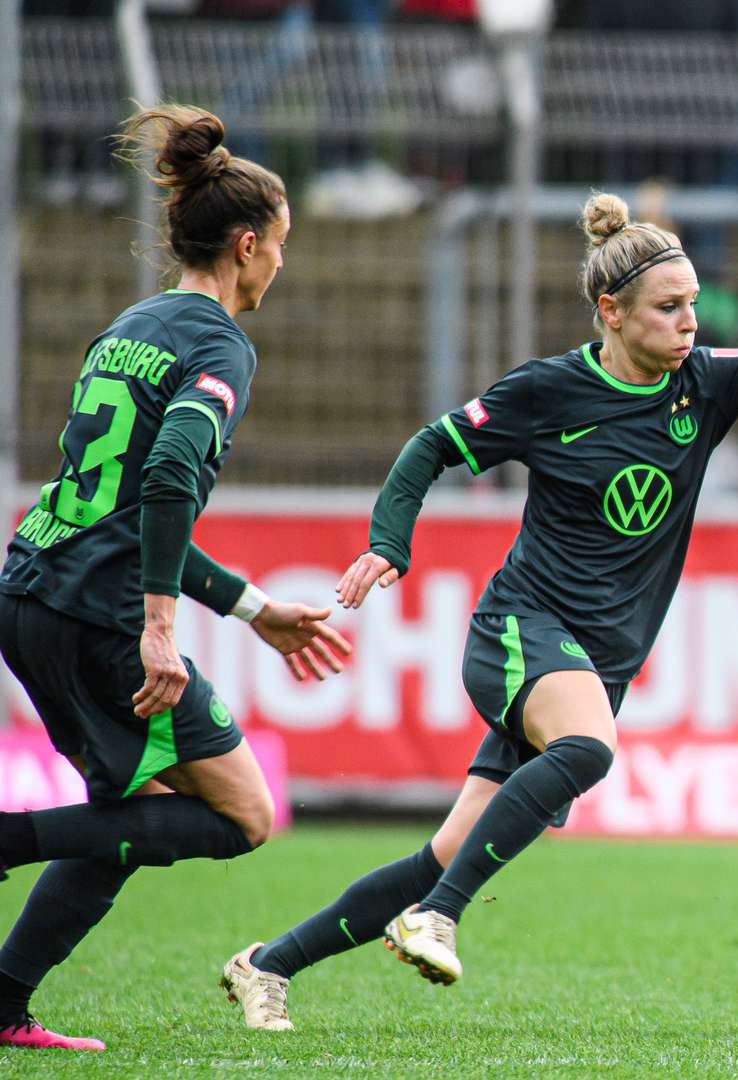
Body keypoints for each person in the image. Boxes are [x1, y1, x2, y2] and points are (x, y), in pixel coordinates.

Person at [217, 190, 738, 1030]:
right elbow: (433, 446)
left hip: (594, 660)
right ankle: (437, 917)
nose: (689, 323)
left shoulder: (704, 387)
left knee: (446, 850)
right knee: (587, 748)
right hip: (519, 631)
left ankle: (268, 964)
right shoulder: (550, 392)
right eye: (669, 308)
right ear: (610, 311)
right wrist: (390, 540)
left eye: (691, 306)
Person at [0, 105, 352, 1053]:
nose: (282, 263)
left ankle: (2, 1004)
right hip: (96, 618)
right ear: (246, 245)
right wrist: (160, 628)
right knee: (241, 815)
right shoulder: (220, 345)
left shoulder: (130, 327)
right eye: (280, 246)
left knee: (132, 819)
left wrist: (249, 607)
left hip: (28, 590)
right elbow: (164, 479)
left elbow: (120, 502)